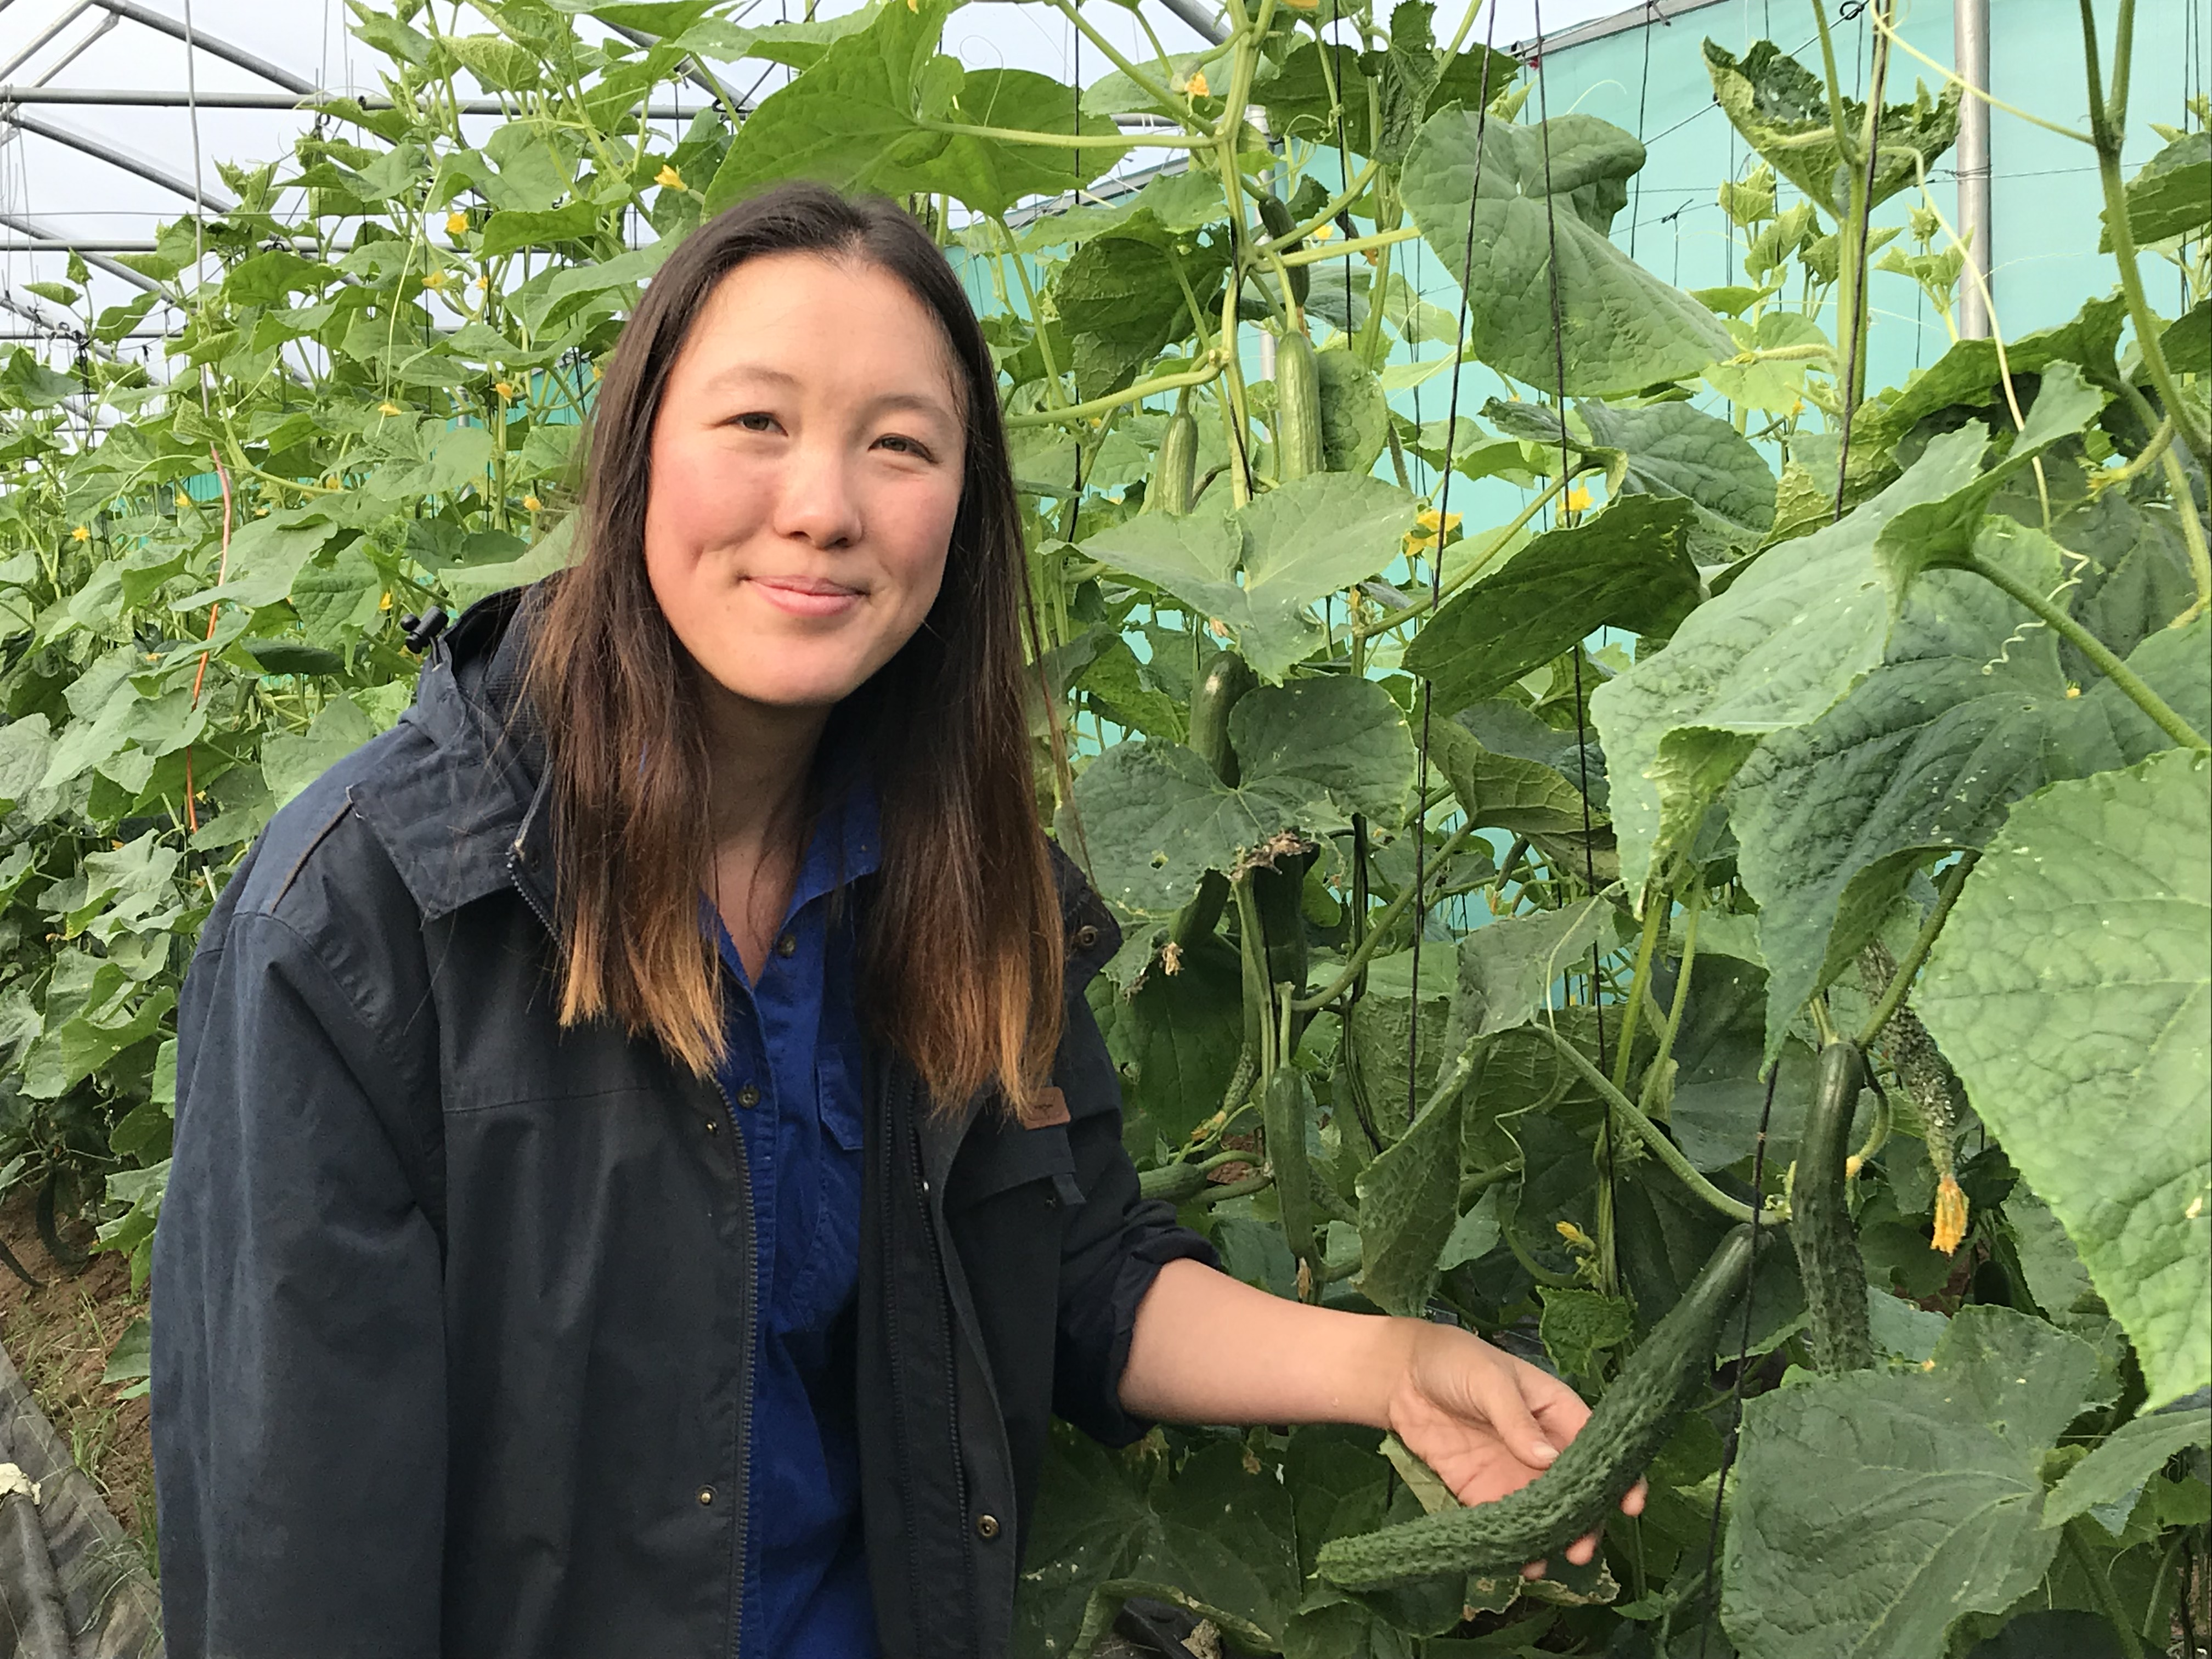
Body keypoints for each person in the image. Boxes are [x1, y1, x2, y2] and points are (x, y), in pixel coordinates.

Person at [150, 180, 1640, 1659]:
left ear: (964, 516)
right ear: (639, 452)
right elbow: (300, 1553)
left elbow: (1079, 1270)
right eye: (757, 424)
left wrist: (1394, 1366)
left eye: (900, 447)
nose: (824, 507)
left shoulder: (961, 878)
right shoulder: (364, 924)